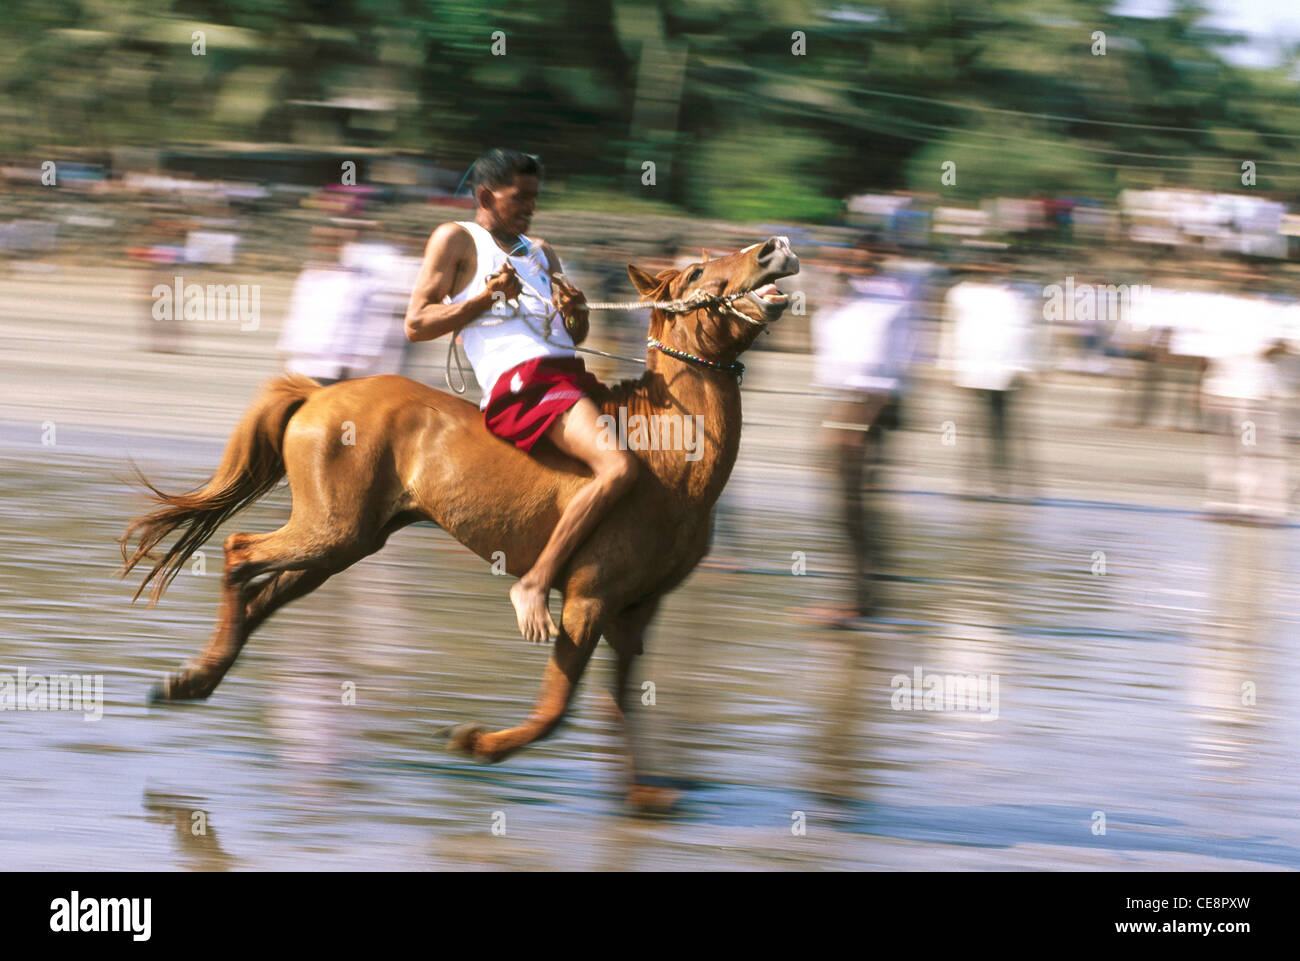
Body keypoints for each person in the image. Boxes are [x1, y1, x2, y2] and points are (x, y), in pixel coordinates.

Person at [404, 149, 638, 643]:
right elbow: (416, 323)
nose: (531, 207)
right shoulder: (456, 239)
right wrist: (485, 297)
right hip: (522, 384)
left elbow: (573, 335)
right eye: (521, 198)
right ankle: (534, 583)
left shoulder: (541, 251)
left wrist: (575, 312)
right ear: (486, 195)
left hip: (566, 376)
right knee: (618, 468)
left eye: (535, 198)